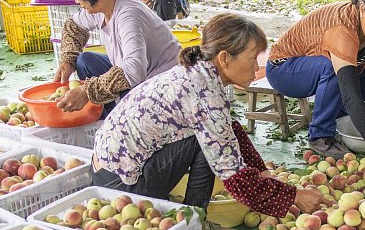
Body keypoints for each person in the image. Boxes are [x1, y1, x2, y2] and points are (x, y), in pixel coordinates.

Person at [92, 13, 325, 216]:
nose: (256, 67)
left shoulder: (198, 73)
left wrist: (262, 172)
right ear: (224, 58)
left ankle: (192, 213)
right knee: (208, 144)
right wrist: (293, 196)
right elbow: (236, 179)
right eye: (253, 58)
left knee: (210, 137)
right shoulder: (204, 92)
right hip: (121, 189)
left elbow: (228, 129)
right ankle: (194, 216)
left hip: (109, 171)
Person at [266, 0, 365, 180]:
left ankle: (337, 115)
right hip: (284, 69)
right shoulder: (341, 26)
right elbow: (350, 92)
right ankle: (320, 136)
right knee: (332, 68)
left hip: (320, 69)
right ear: (362, 8)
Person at [54, 0, 181, 115]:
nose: (76, 0)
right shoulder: (102, 8)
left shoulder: (128, 15)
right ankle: (109, 113)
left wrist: (86, 92)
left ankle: (116, 118)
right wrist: (67, 60)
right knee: (85, 60)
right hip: (140, 75)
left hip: (162, 87)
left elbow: (134, 71)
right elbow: (74, 26)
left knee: (113, 83)